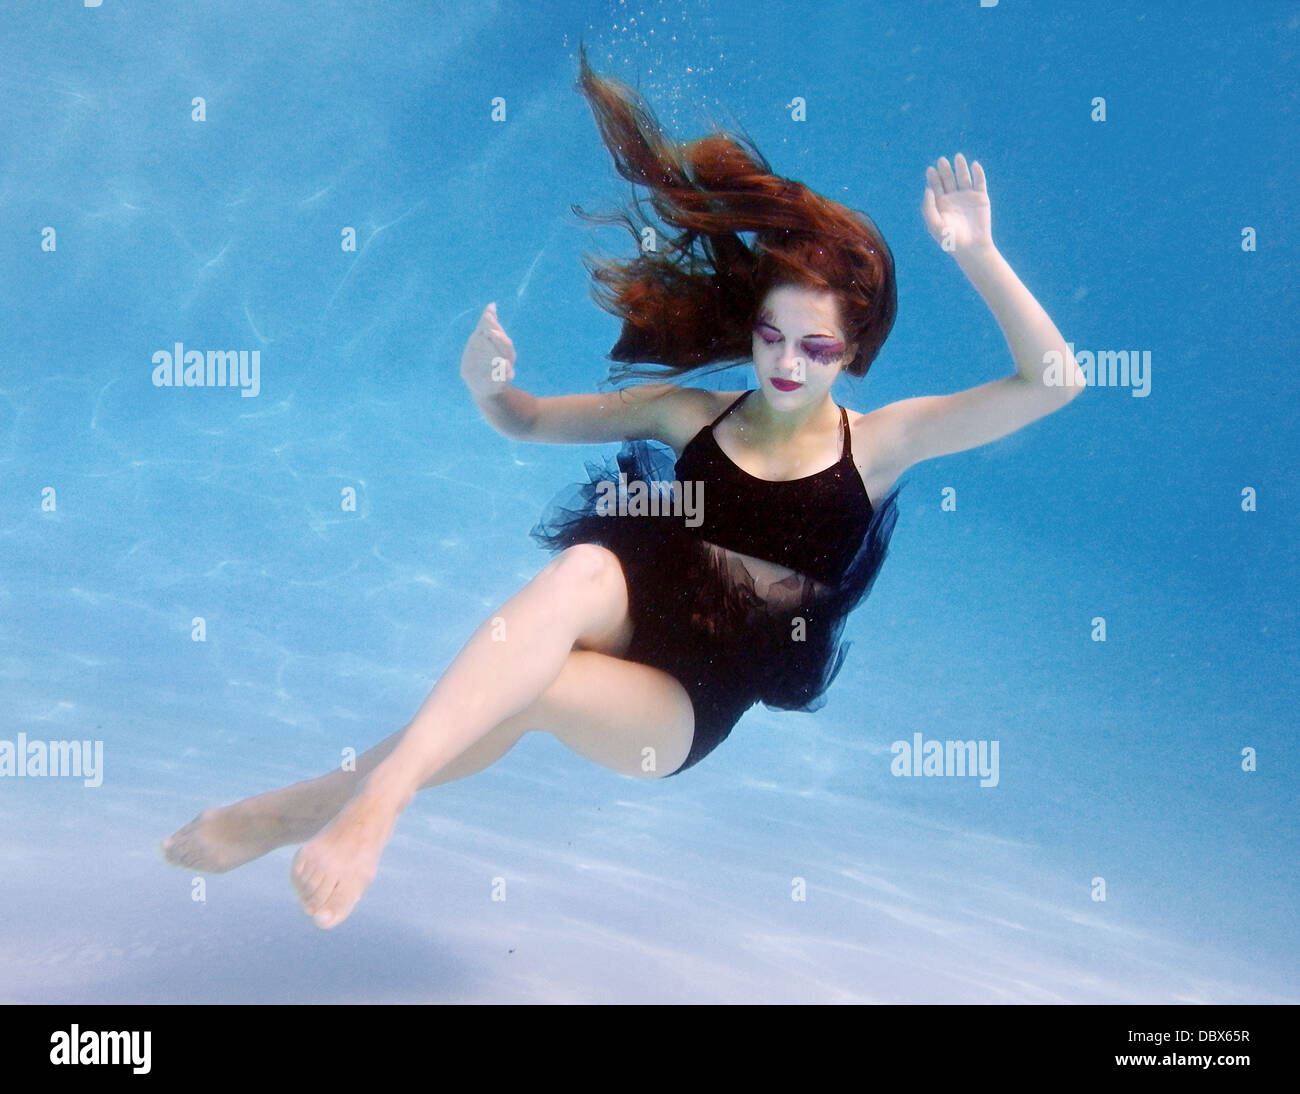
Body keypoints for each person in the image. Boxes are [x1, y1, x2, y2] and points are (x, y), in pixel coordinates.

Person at [162, 47, 1085, 929]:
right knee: (579, 577)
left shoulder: (881, 444)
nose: (789, 366)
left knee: (536, 690)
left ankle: (297, 812)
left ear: (855, 352)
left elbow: (1054, 382)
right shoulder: (690, 417)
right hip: (642, 600)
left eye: (819, 348)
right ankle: (375, 809)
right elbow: (525, 421)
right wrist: (486, 384)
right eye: (772, 338)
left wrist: (977, 254)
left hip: (692, 699)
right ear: (751, 327)